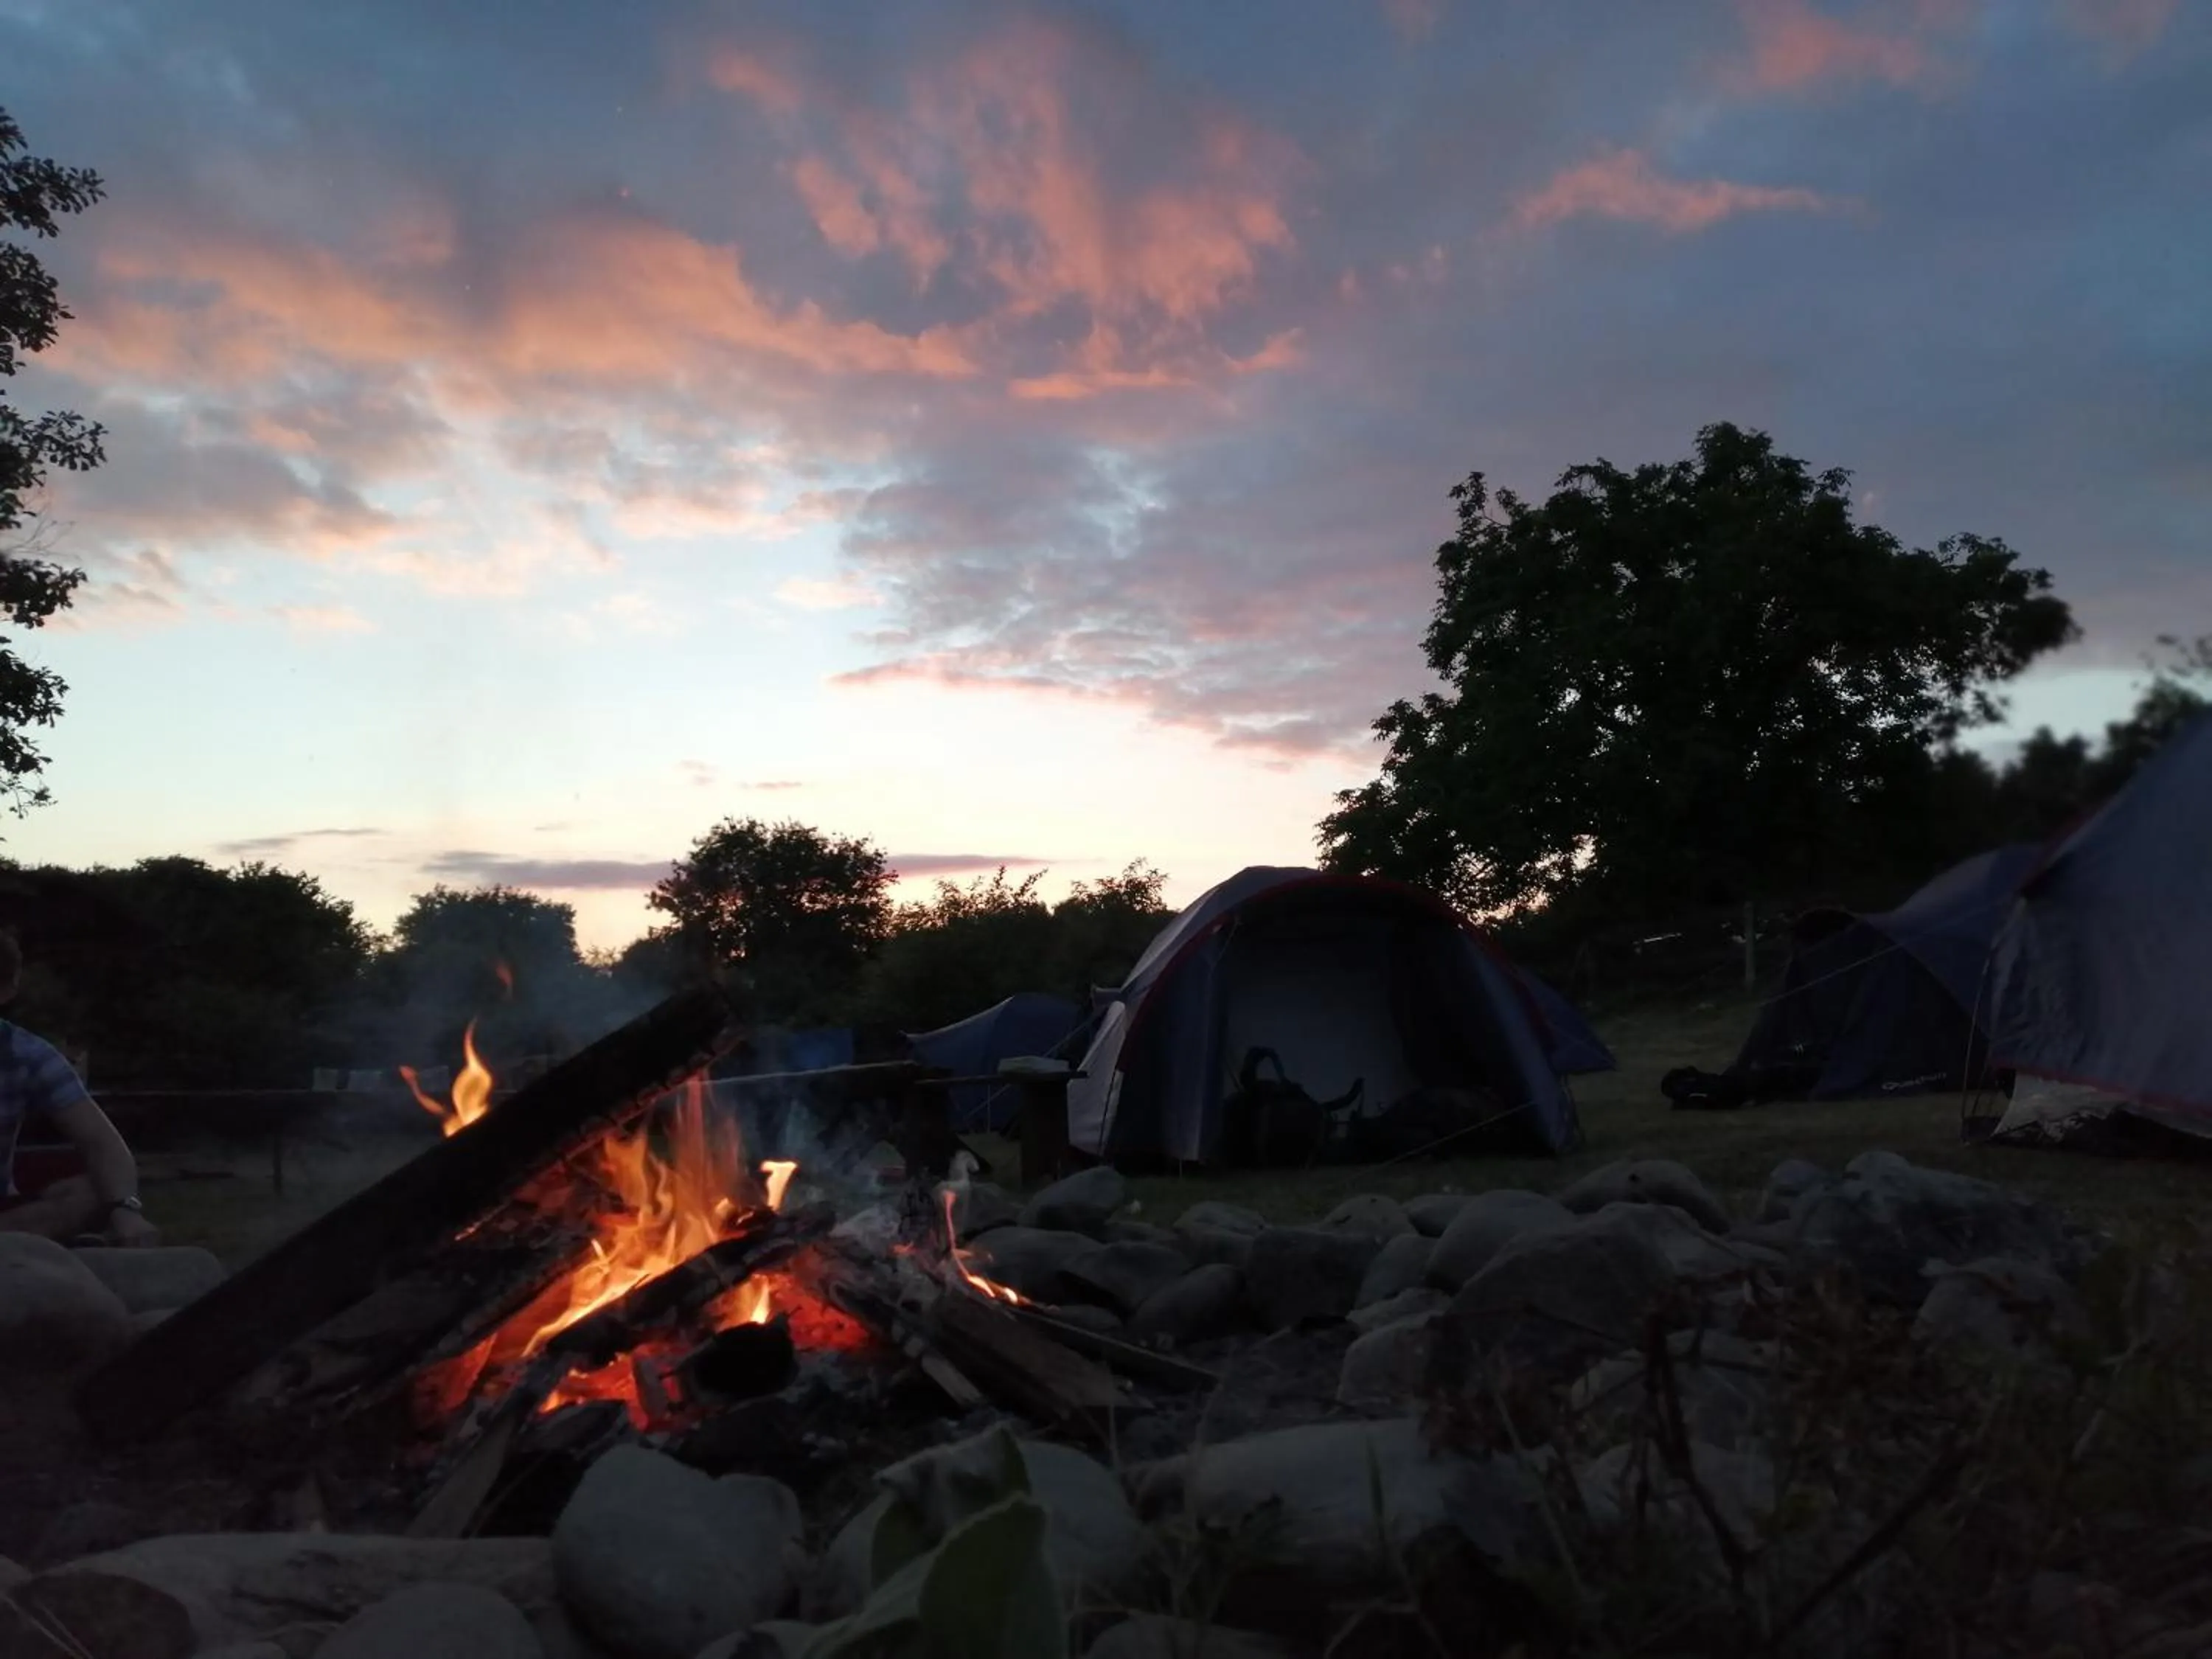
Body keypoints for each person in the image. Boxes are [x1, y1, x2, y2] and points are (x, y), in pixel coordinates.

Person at [0, 934, 158, 1248]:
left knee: (96, 1190)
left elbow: (101, 1140)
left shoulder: (27, 1054)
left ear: (5, 992)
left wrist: (125, 1209)